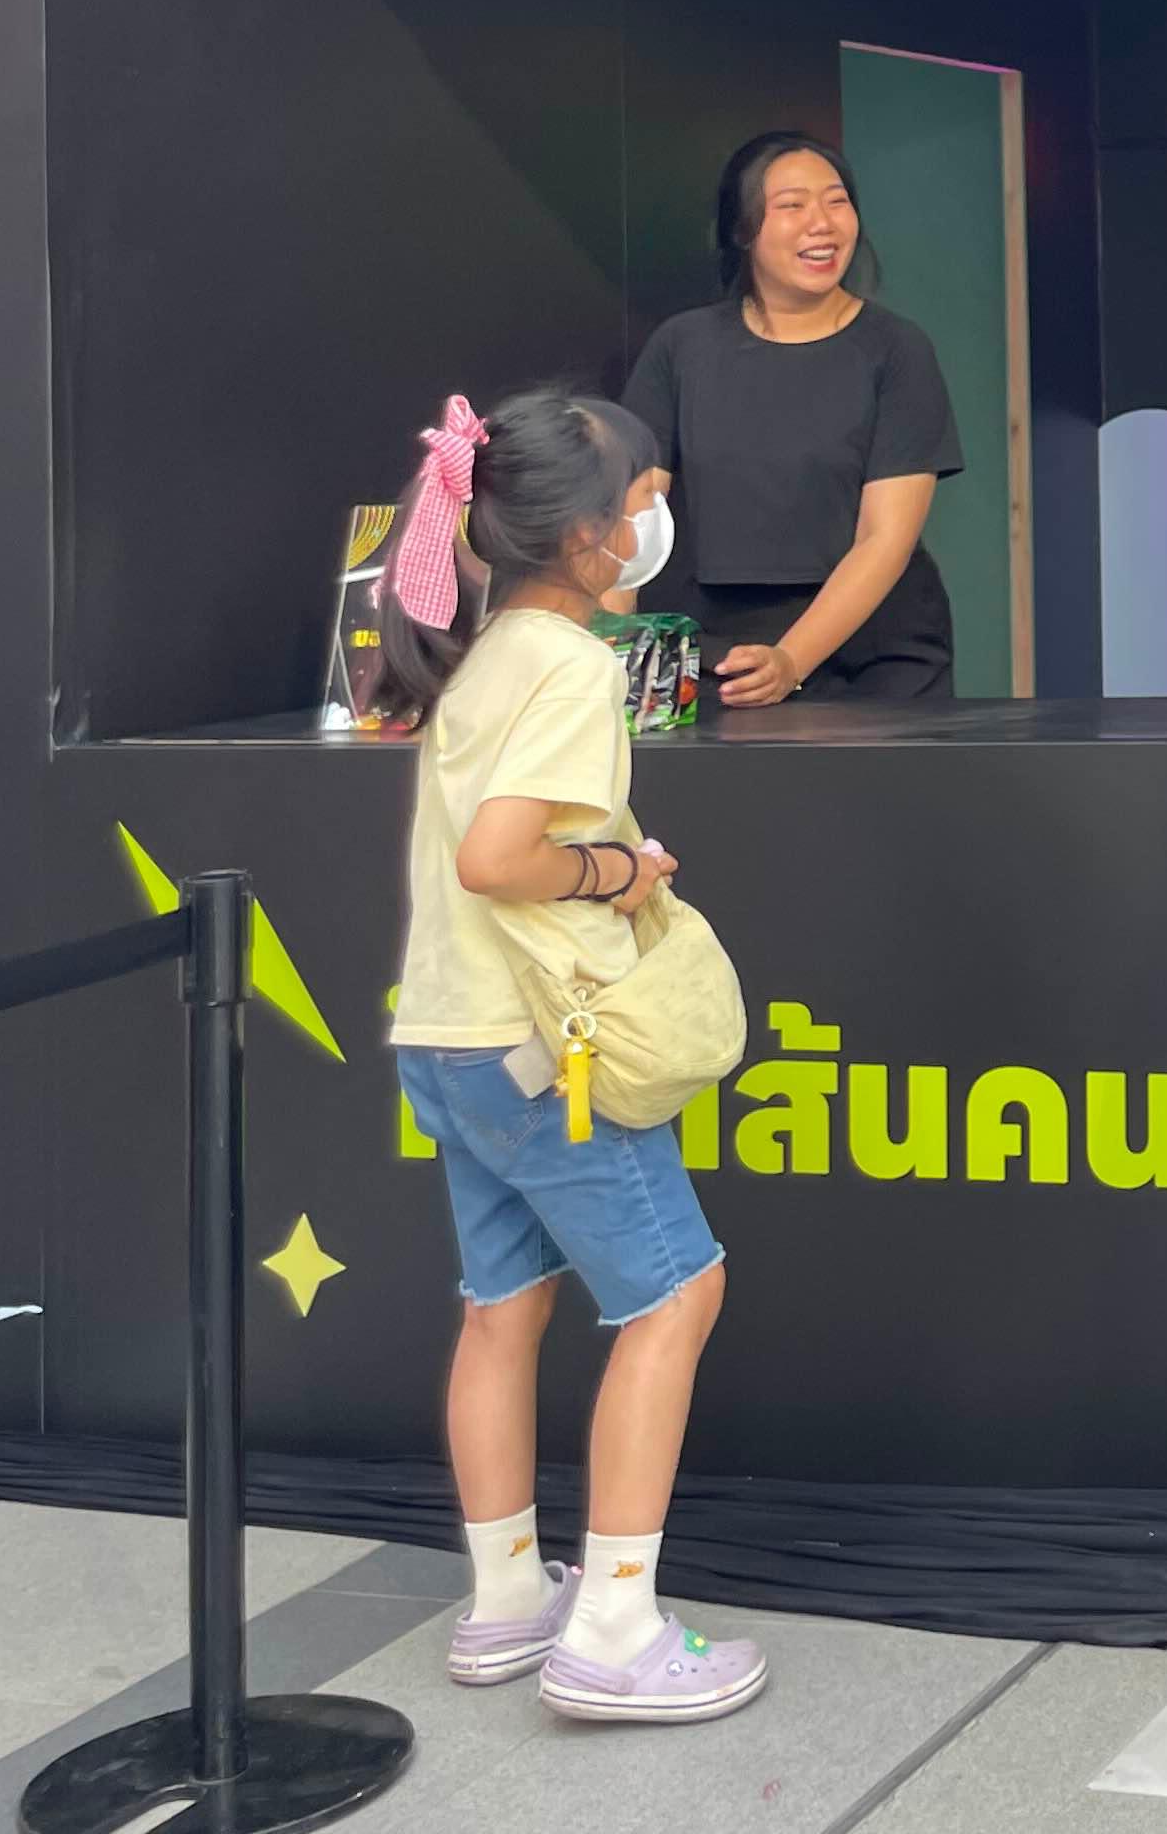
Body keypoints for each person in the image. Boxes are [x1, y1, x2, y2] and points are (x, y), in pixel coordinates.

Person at [374, 389, 764, 1727]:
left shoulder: (482, 653)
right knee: (675, 1297)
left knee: (501, 1305)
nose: (657, 518)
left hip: (449, 1037)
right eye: (644, 500)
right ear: (589, 534)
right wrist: (616, 870)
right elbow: (501, 859)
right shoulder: (572, 666)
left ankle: (504, 1601)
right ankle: (612, 1628)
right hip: (544, 1052)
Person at [627, 132, 962, 706]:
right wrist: (614, 645)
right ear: (743, 229)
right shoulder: (682, 346)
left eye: (836, 201)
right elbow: (630, 516)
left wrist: (791, 660)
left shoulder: (897, 350)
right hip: (718, 653)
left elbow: (885, 537)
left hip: (873, 658)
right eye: (792, 205)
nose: (822, 224)